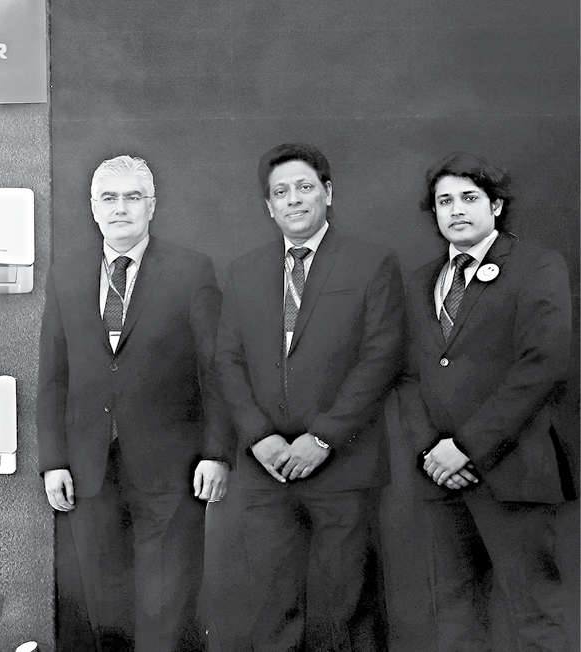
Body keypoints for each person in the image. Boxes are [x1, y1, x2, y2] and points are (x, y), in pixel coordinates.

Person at [214, 143, 403, 650]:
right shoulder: (244, 271)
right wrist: (259, 437)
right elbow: (226, 361)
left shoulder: (371, 264)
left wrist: (322, 438)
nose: (294, 199)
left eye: (304, 187)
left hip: (343, 465)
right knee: (272, 611)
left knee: (344, 613)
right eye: (281, 192)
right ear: (268, 206)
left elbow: (381, 358)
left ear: (328, 193)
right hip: (267, 468)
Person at [37, 155, 229, 650]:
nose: (120, 208)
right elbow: (54, 376)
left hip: (171, 467)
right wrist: (53, 461)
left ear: (151, 206)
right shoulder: (66, 275)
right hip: (89, 466)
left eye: (132, 197)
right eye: (109, 198)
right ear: (93, 208)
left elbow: (215, 371)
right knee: (105, 608)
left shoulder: (191, 270)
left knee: (166, 607)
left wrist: (217, 453)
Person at [397, 152, 573, 650]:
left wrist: (467, 447)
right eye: (444, 201)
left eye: (469, 198)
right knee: (454, 619)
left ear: (495, 205)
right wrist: (432, 451)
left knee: (535, 616)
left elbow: (542, 365)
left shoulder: (537, 265)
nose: (456, 210)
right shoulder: (419, 281)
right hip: (441, 477)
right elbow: (407, 377)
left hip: (514, 469)